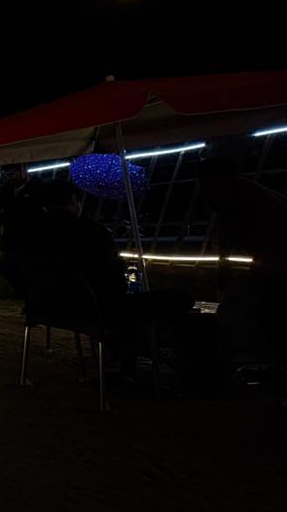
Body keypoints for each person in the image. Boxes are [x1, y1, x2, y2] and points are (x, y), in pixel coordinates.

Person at [33, 180, 192, 380]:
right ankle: (158, 351)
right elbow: (113, 279)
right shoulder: (91, 231)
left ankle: (126, 354)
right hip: (95, 311)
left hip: (47, 308)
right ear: (74, 200)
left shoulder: (30, 235)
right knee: (180, 298)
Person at [199, 154, 287, 369]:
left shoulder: (231, 192)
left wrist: (223, 266)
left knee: (270, 310)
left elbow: (228, 229)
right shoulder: (256, 192)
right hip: (273, 257)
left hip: (277, 259)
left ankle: (273, 362)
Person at [0, 165, 42, 291]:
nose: (10, 177)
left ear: (23, 170)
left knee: (29, 272)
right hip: (10, 237)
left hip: (31, 238)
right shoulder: (5, 189)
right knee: (7, 266)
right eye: (7, 175)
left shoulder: (38, 187)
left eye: (13, 174)